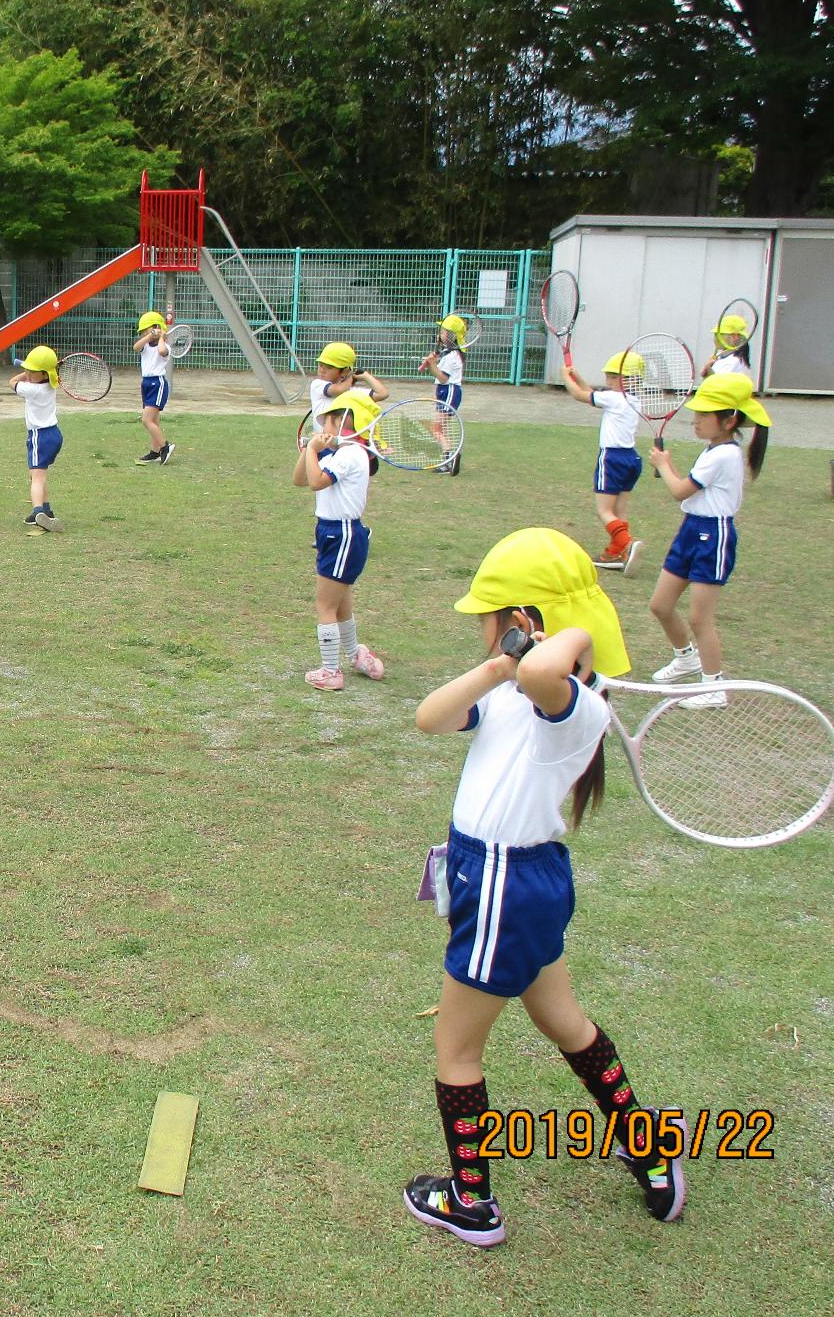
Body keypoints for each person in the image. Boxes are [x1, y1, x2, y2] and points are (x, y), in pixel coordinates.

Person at [407, 527, 681, 1249]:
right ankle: (648, 1148)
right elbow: (430, 716)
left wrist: (577, 628)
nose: (483, 631)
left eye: (492, 620)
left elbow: (542, 676)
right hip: (506, 882)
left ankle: (472, 1203)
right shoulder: (511, 688)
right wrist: (498, 665)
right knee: (564, 1021)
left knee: (455, 1047)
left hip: (505, 882)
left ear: (527, 624)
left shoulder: (577, 707)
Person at [645, 373, 771, 700]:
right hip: (691, 529)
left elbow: (680, 490)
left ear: (729, 421)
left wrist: (664, 464)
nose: (695, 421)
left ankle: (714, 687)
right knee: (660, 605)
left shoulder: (723, 455)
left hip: (713, 536)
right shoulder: (713, 449)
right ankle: (685, 658)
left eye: (704, 415)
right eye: (696, 413)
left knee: (701, 618)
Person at [293, 390, 385, 690]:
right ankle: (356, 654)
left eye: (329, 420)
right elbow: (300, 479)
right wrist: (311, 449)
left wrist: (313, 452)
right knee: (341, 603)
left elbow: (317, 481)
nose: (325, 426)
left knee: (325, 604)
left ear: (344, 421)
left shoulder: (351, 454)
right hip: (334, 533)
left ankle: (331, 670)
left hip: (342, 533)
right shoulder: (339, 453)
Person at [563, 351, 646, 573]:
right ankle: (615, 551)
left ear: (623, 378)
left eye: (610, 376)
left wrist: (565, 378)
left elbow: (580, 396)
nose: (607, 381)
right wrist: (577, 377)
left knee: (604, 511)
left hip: (612, 458)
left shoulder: (613, 398)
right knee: (620, 510)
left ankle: (627, 543)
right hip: (632, 459)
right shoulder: (631, 399)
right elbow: (591, 393)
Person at [10, 346, 63, 532]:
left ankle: (37, 511)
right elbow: (48, 378)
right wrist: (32, 371)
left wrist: (23, 374)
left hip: (39, 436)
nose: (27, 373)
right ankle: (46, 510)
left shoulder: (30, 389)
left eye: (31, 371)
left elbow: (11, 382)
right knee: (38, 474)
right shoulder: (50, 385)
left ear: (44, 374)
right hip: (54, 435)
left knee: (37, 477)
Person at [418, 315, 467, 476]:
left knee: (436, 428)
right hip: (445, 392)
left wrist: (432, 365)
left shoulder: (452, 357)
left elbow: (442, 377)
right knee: (441, 429)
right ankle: (449, 458)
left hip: (449, 391)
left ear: (451, 335)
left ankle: (449, 458)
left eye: (444, 331)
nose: (440, 333)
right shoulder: (448, 353)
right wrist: (430, 363)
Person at [131, 311, 175, 464]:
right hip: (146, 383)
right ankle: (155, 451)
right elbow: (136, 347)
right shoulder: (145, 345)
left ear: (157, 327)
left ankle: (165, 446)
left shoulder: (165, 346)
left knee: (146, 420)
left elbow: (162, 351)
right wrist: (149, 336)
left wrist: (161, 336)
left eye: (147, 329)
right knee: (154, 421)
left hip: (158, 383)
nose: (144, 333)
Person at [307, 341, 389, 422]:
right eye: (320, 365)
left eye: (329, 367)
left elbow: (382, 394)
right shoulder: (317, 384)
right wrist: (350, 377)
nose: (322, 370)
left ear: (344, 371)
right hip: (321, 436)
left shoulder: (352, 392)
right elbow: (339, 390)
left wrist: (366, 376)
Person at [701, 314, 753, 379]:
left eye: (721, 334)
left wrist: (708, 369)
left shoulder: (735, 361)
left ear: (735, 337)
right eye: (715, 334)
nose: (716, 338)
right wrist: (706, 370)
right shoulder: (720, 356)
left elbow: (720, 384)